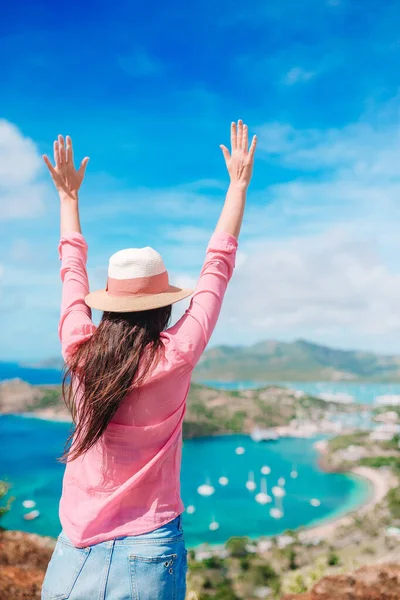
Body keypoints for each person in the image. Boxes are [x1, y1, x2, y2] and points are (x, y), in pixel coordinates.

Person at [41, 121, 257, 600]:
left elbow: (71, 269)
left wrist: (68, 199)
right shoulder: (177, 354)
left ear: (106, 304)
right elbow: (217, 268)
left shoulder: (78, 347)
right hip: (150, 544)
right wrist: (238, 185)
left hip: (74, 548)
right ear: (166, 306)